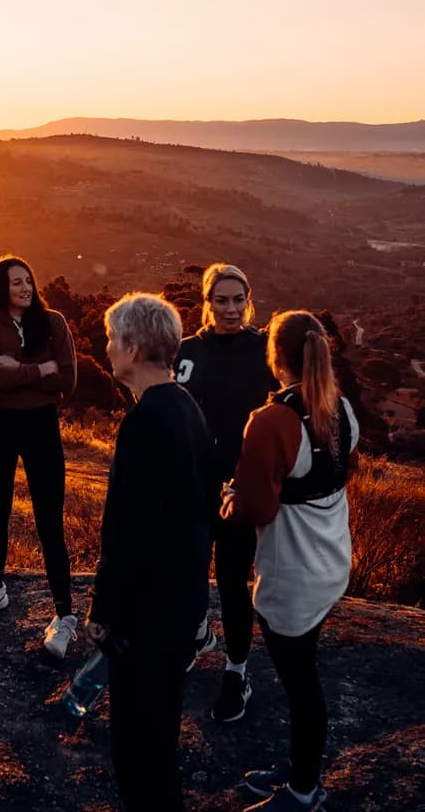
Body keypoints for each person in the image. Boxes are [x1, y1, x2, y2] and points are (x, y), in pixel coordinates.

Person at [221, 310, 359, 812]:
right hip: (330, 564)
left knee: (302, 688)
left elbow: (256, 508)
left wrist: (228, 499)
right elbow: (339, 471)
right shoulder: (341, 408)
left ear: (274, 356)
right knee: (302, 678)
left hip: (292, 577)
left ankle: (303, 792)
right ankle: (301, 767)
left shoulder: (271, 421)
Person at [88, 293, 212, 812]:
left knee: (137, 752)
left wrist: (104, 610)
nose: (109, 348)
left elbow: (131, 532)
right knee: (159, 740)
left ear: (134, 348)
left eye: (115, 339)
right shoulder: (187, 407)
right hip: (181, 603)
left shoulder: (144, 422)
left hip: (147, 613)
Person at [175, 262, 277, 722]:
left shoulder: (266, 352)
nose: (231, 309)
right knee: (189, 571)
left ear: (249, 300)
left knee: (234, 582)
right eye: (222, 300)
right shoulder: (188, 351)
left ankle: (237, 672)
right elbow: (171, 413)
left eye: (238, 300)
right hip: (194, 486)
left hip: (240, 489)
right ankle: (197, 634)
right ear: (207, 303)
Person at [0, 254, 78, 658]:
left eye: (28, 280)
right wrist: (40, 369)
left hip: (41, 427)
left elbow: (68, 379)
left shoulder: (53, 323)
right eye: (16, 282)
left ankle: (64, 614)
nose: (25, 288)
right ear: (1, 287)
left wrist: (23, 370)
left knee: (50, 520)